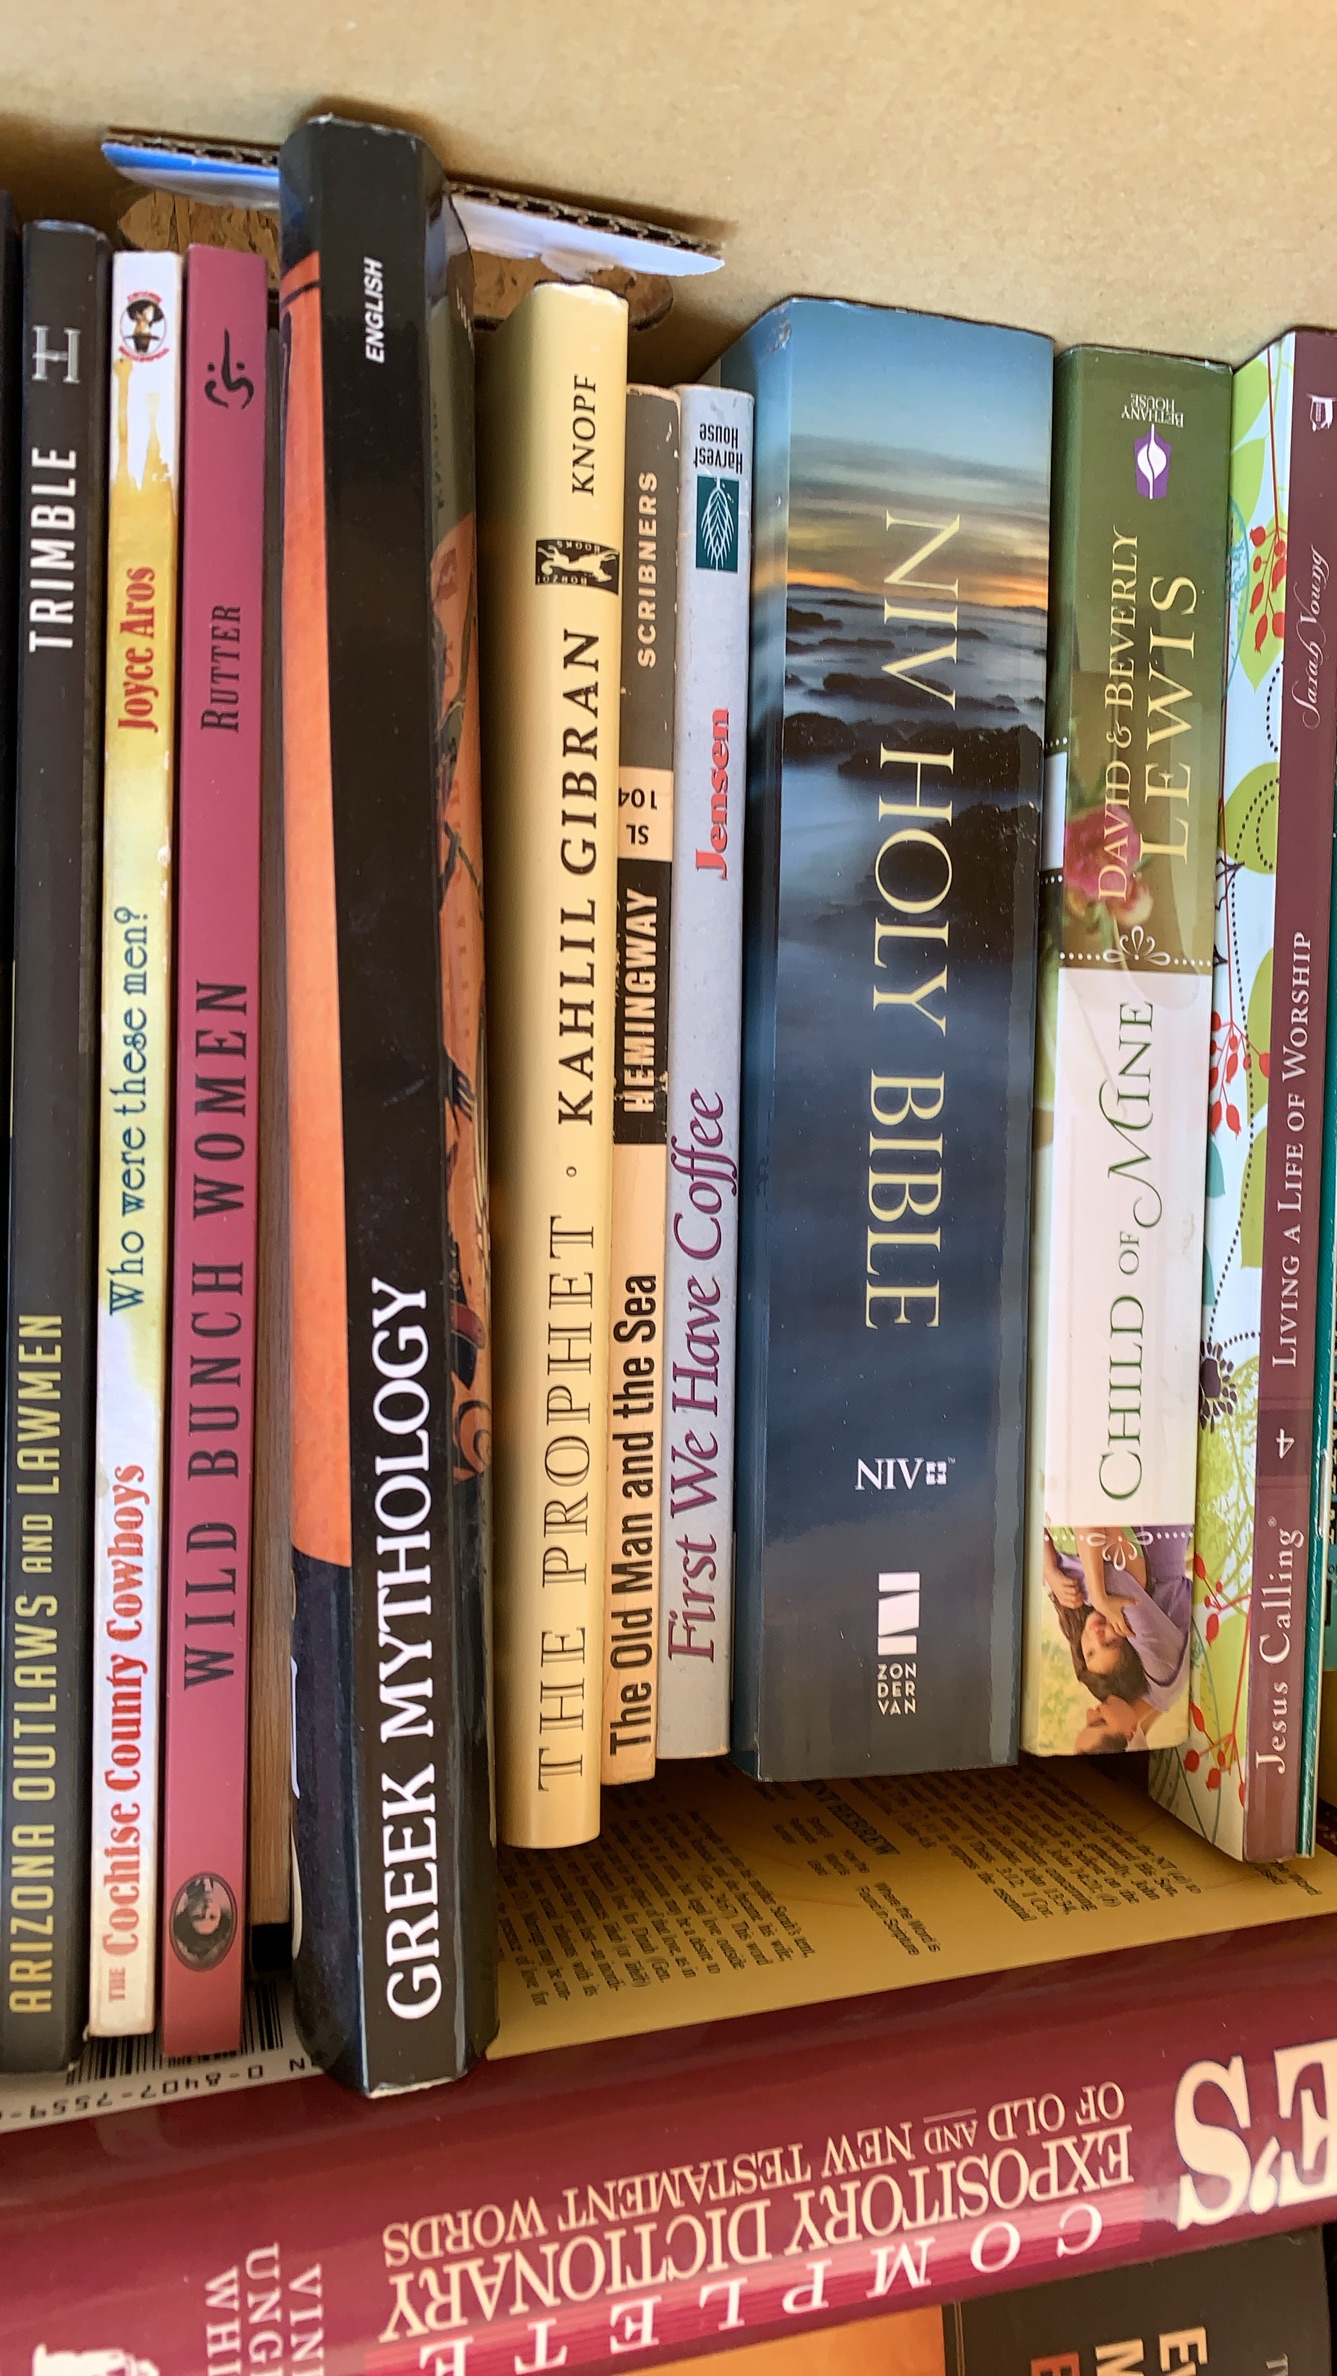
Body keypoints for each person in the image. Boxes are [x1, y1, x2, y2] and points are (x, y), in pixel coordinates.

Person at [1042, 1524, 1191, 1752]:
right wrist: (1069, 1585)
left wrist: (1050, 1573)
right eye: (1099, 1722)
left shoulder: (1122, 1683)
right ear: (1129, 1734)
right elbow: (1114, 1580)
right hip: (1150, 1525)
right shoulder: (1163, 1672)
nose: (1090, 1712)